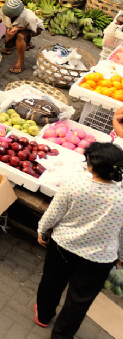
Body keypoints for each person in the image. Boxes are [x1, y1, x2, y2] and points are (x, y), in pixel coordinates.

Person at [34, 142, 123, 336]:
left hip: (64, 246)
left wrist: (42, 230)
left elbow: (53, 213)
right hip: (99, 258)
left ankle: (43, 315)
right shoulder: (121, 197)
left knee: (52, 283)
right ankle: (62, 335)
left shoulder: (75, 185)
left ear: (91, 164)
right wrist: (120, 256)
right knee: (79, 301)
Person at [0, 0, 44, 74]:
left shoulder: (28, 17)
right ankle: (11, 46)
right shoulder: (5, 10)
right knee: (10, 31)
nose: (6, 16)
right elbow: (1, 17)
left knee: (20, 36)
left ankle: (21, 62)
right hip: (18, 25)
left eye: (9, 15)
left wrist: (18, 28)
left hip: (33, 27)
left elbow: (32, 28)